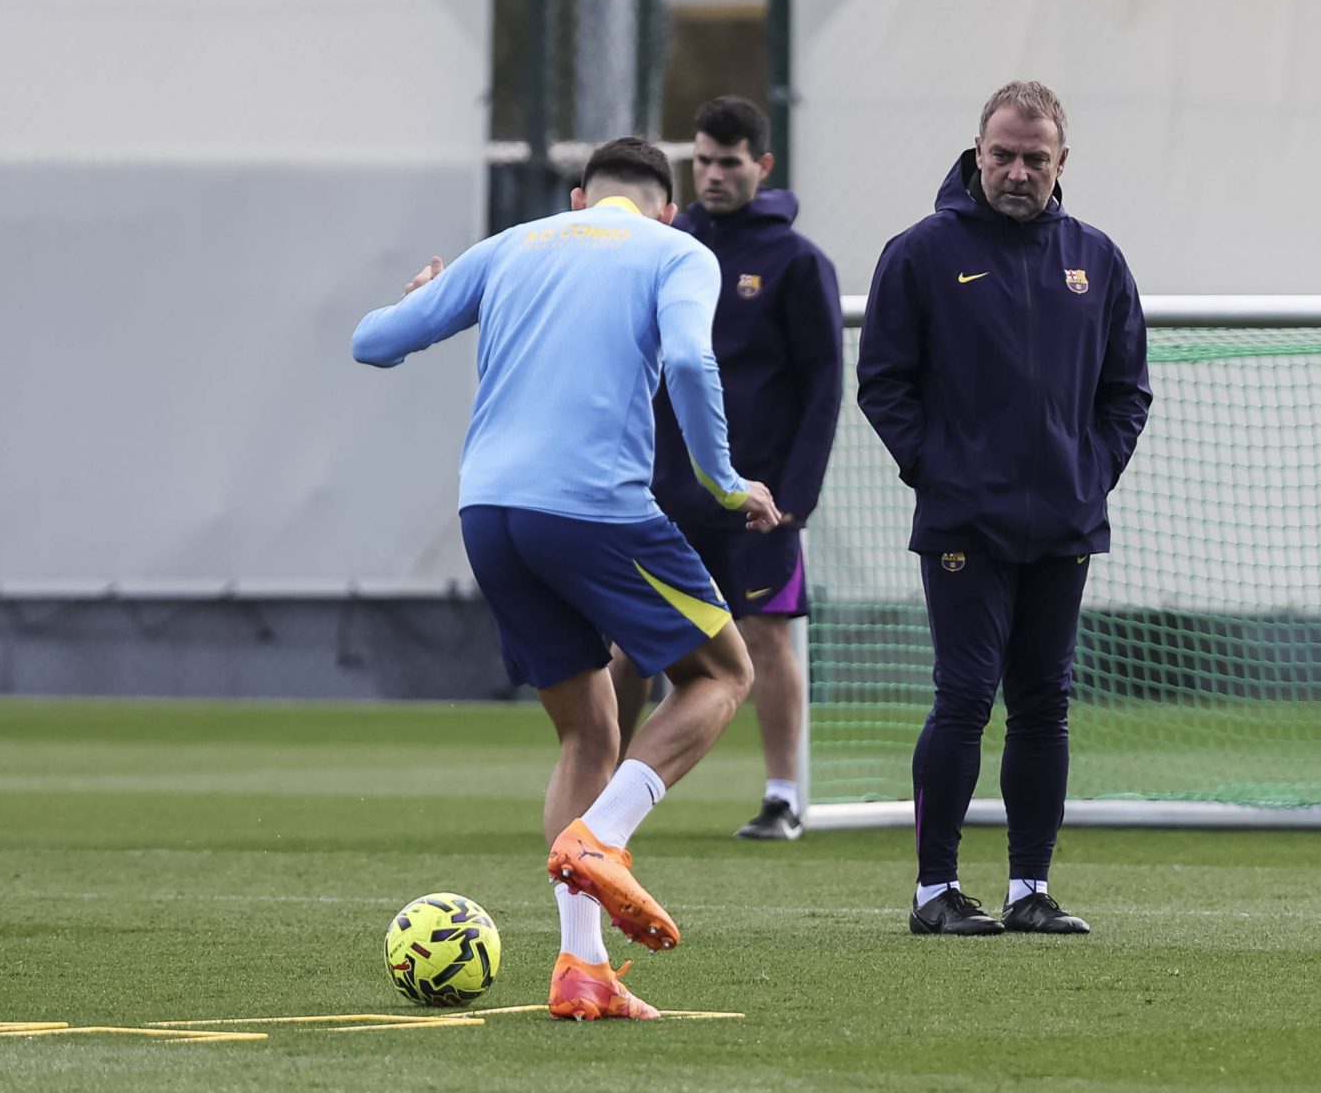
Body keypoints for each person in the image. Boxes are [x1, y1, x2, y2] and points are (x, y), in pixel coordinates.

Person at [351, 137, 782, 1018]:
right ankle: (604, 836)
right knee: (723, 673)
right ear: (668, 207)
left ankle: (582, 967)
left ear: (579, 197)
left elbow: (372, 342)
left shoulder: (511, 244)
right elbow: (691, 362)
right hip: (595, 507)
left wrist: (417, 298)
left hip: (488, 514)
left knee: (589, 732)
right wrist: (724, 483)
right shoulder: (677, 251)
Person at [856, 81, 1151, 937]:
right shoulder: (921, 252)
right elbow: (883, 381)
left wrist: (1089, 474)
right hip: (964, 523)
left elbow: (1127, 390)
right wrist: (938, 471)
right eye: (1003, 155)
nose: (1018, 172)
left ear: (1062, 161)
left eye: (1035, 158)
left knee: (1045, 704)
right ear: (977, 151)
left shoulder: (1096, 258)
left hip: (1064, 521)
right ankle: (933, 891)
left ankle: (1030, 888)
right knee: (963, 697)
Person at [608, 96, 843, 841]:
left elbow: (824, 384)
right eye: (703, 160)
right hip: (663, 493)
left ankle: (783, 797)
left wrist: (796, 495)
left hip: (759, 498)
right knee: (630, 642)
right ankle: (602, 792)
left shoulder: (798, 263)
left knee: (766, 638)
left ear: (762, 165)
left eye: (729, 162)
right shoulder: (665, 247)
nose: (713, 174)